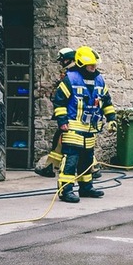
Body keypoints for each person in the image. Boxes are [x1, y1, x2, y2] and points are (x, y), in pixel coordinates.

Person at [52, 46, 117, 203]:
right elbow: (59, 101)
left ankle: (86, 187)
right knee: (71, 160)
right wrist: (62, 122)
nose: (93, 67)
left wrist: (112, 118)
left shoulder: (100, 80)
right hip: (73, 128)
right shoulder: (70, 79)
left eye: (94, 65)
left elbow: (106, 101)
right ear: (81, 64)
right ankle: (65, 190)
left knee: (87, 160)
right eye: (90, 65)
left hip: (90, 129)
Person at [35, 47, 77, 178]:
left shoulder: (72, 75)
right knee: (59, 141)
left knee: (74, 144)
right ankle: (50, 167)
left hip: (71, 116)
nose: (60, 63)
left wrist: (63, 119)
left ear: (67, 60)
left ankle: (93, 168)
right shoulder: (75, 73)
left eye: (62, 60)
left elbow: (62, 99)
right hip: (73, 116)